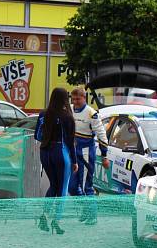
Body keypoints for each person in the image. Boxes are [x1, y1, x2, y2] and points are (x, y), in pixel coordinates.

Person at [35, 88, 78, 234]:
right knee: (62, 188)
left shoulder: (43, 114)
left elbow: (37, 135)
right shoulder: (67, 116)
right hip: (61, 152)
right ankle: (56, 220)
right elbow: (71, 141)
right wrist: (75, 161)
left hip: (45, 151)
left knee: (53, 184)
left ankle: (44, 216)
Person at [69, 87, 110, 197]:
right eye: (73, 99)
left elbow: (101, 134)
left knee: (85, 186)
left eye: (78, 99)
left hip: (86, 152)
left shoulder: (91, 113)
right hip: (72, 152)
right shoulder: (69, 109)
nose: (75, 102)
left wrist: (104, 156)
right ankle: (83, 205)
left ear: (84, 98)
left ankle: (89, 212)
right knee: (71, 186)